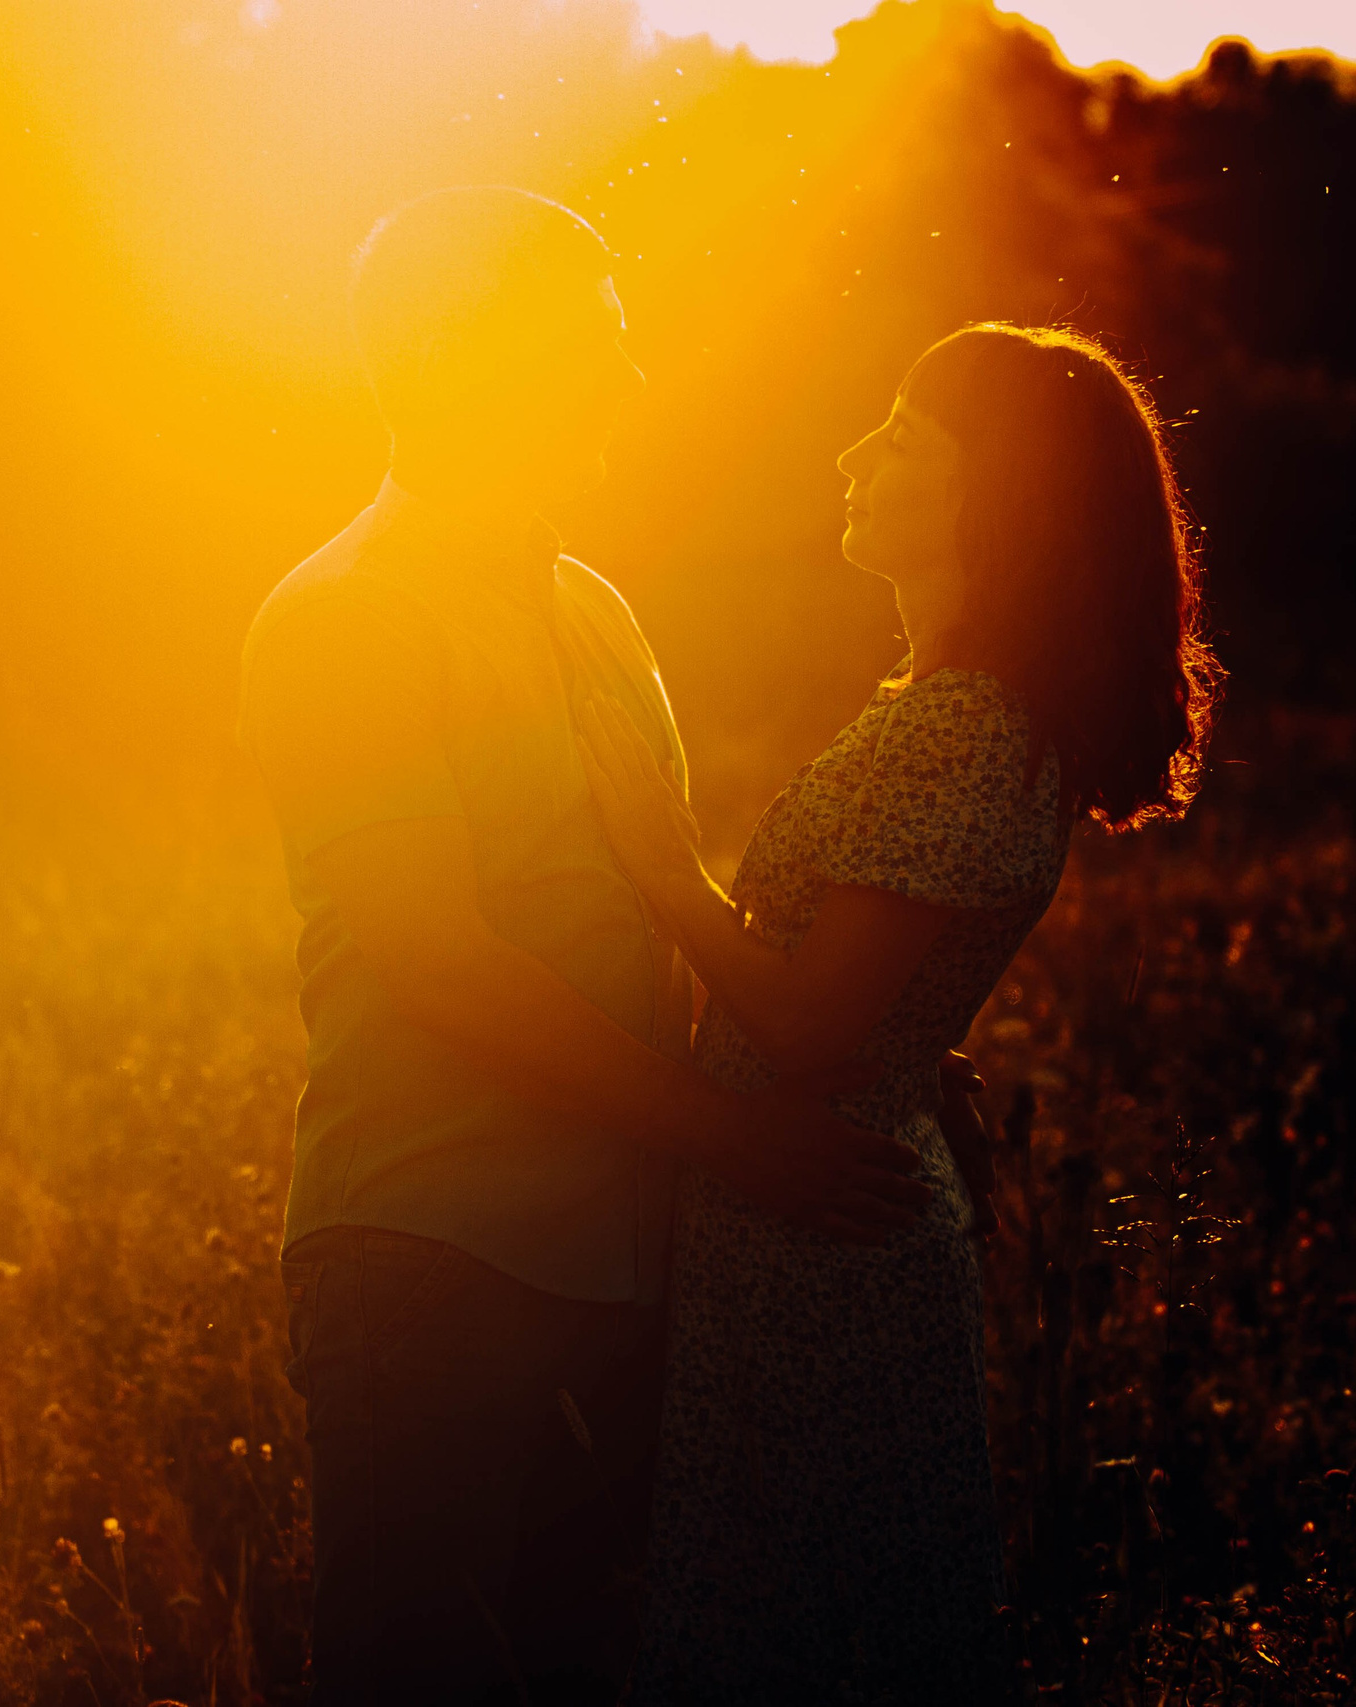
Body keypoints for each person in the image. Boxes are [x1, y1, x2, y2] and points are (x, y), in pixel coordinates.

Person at [236, 187, 939, 1705]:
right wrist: (736, 1141)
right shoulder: (347, 618)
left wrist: (862, 1078)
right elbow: (438, 959)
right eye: (598, 341)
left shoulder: (595, 611)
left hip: (626, 1262)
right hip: (429, 1254)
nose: (629, 378)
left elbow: (649, 913)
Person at [581, 322, 1224, 1702]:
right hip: (820, 1204)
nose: (852, 457)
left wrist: (660, 865)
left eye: (902, 438)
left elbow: (814, 1023)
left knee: (794, 1632)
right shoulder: (957, 710)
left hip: (822, 1230)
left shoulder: (966, 724)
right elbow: (888, 997)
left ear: (992, 495)